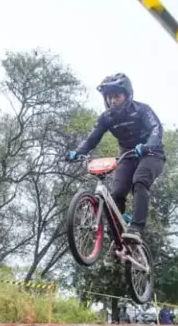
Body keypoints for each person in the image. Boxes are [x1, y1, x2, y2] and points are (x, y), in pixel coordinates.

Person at [66, 73, 165, 244]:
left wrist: (148, 145)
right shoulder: (106, 117)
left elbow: (156, 128)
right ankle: (117, 234)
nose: (112, 100)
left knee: (139, 181)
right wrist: (78, 152)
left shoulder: (142, 109)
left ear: (127, 95)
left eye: (116, 96)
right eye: (109, 97)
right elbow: (92, 138)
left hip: (151, 153)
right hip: (127, 154)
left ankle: (136, 228)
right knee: (116, 194)